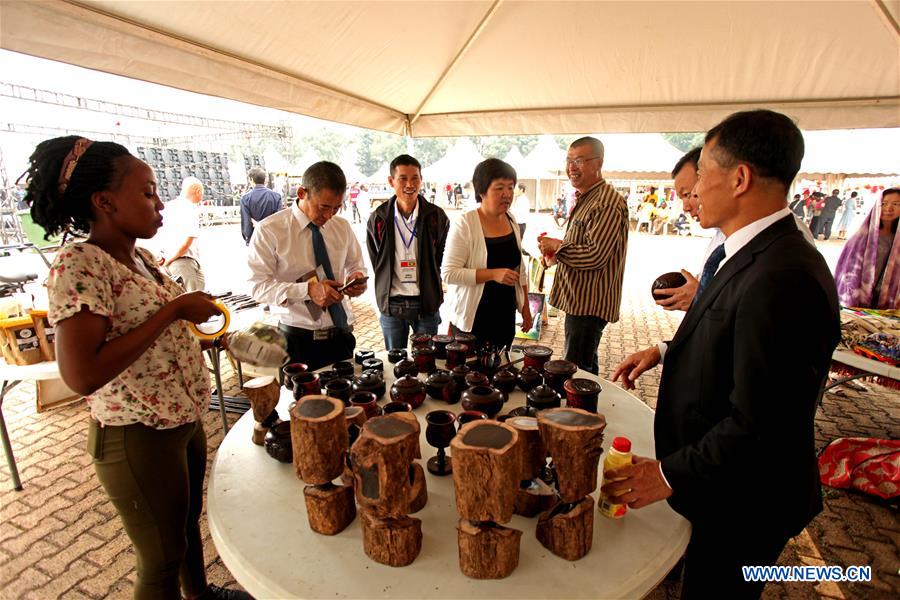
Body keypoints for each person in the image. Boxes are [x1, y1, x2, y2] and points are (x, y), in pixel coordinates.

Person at [610, 110, 840, 599]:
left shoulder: (784, 275)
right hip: (723, 485)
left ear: (739, 178)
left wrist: (668, 474)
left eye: (704, 172)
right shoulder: (755, 253)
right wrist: (666, 351)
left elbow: (761, 422)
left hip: (747, 500)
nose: (696, 188)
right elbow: (734, 344)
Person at [26, 136, 247, 600]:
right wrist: (172, 312)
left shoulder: (141, 259)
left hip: (180, 419)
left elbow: (156, 334)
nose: (160, 203)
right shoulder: (81, 264)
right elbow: (81, 373)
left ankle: (201, 596)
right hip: (136, 434)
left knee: (185, 529)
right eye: (147, 193)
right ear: (104, 201)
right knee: (160, 560)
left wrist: (215, 333)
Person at [656, 148, 817, 311]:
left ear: (739, 179)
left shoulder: (785, 248)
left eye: (690, 193)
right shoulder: (726, 235)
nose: (686, 206)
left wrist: (703, 299)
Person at [248, 161, 367, 371]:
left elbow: (356, 265)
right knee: (305, 402)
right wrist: (307, 290)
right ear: (302, 192)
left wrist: (357, 278)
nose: (329, 216)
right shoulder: (270, 230)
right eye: (324, 207)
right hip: (297, 341)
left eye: (337, 208)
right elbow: (257, 287)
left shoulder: (342, 226)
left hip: (340, 337)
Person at [538, 137, 628, 375]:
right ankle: (589, 408)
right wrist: (556, 254)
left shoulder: (606, 202)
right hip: (580, 300)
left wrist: (559, 247)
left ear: (598, 163)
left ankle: (579, 410)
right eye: (569, 160)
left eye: (579, 160)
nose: (571, 167)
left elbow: (596, 255)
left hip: (589, 304)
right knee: (586, 367)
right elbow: (583, 246)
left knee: (575, 370)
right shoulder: (587, 197)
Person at [442, 158, 532, 350]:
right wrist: (492, 274)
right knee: (470, 376)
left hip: (504, 318)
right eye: (499, 188)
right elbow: (449, 273)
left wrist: (525, 308)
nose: (507, 194)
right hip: (473, 321)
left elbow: (520, 268)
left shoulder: (511, 220)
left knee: (499, 372)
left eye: (510, 187)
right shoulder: (465, 223)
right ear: (482, 191)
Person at [366, 155, 450, 350]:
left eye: (415, 178)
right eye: (403, 178)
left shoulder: (435, 217)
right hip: (392, 305)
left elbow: (439, 258)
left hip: (426, 304)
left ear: (421, 180)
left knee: (426, 363)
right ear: (391, 181)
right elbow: (376, 260)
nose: (409, 184)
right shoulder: (378, 218)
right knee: (395, 364)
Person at [834, 187, 899, 308]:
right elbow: (847, 271)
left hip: (887, 300)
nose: (888, 208)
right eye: (883, 203)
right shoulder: (861, 236)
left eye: (896, 204)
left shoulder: (897, 239)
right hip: (858, 297)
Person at [161, 176, 205, 291]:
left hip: (168, 261)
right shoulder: (189, 208)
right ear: (197, 190)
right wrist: (172, 258)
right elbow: (188, 240)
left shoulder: (168, 207)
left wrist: (166, 259)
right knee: (196, 302)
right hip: (183, 261)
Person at [239, 167, 283, 245]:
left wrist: (248, 239)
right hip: (272, 239)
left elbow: (246, 224)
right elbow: (279, 220)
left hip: (255, 239)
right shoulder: (276, 197)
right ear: (265, 180)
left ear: (251, 180)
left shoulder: (245, 199)